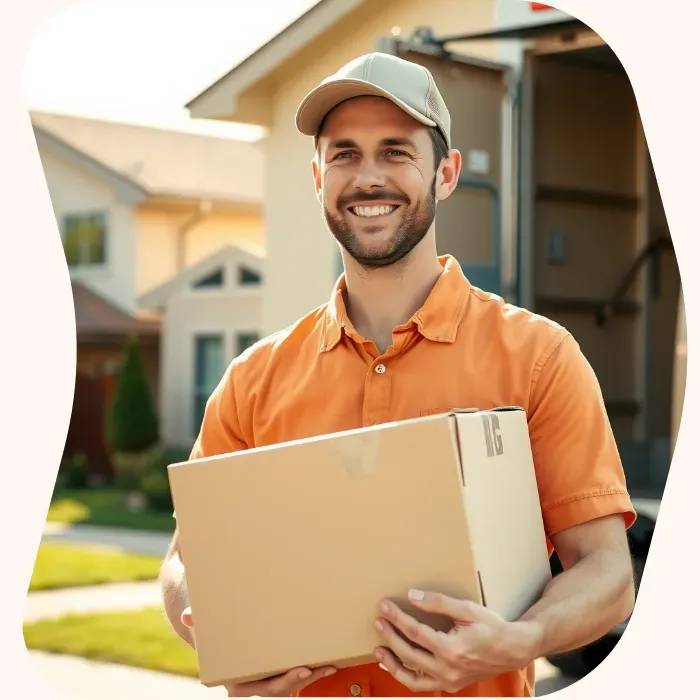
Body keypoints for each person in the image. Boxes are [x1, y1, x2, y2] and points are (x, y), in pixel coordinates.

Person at [160, 52, 637, 697]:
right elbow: (185, 564)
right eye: (344, 154)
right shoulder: (254, 379)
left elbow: (607, 573)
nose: (368, 177)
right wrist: (220, 634)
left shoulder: (538, 358)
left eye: (395, 151)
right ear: (317, 176)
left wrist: (521, 640)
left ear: (445, 174)